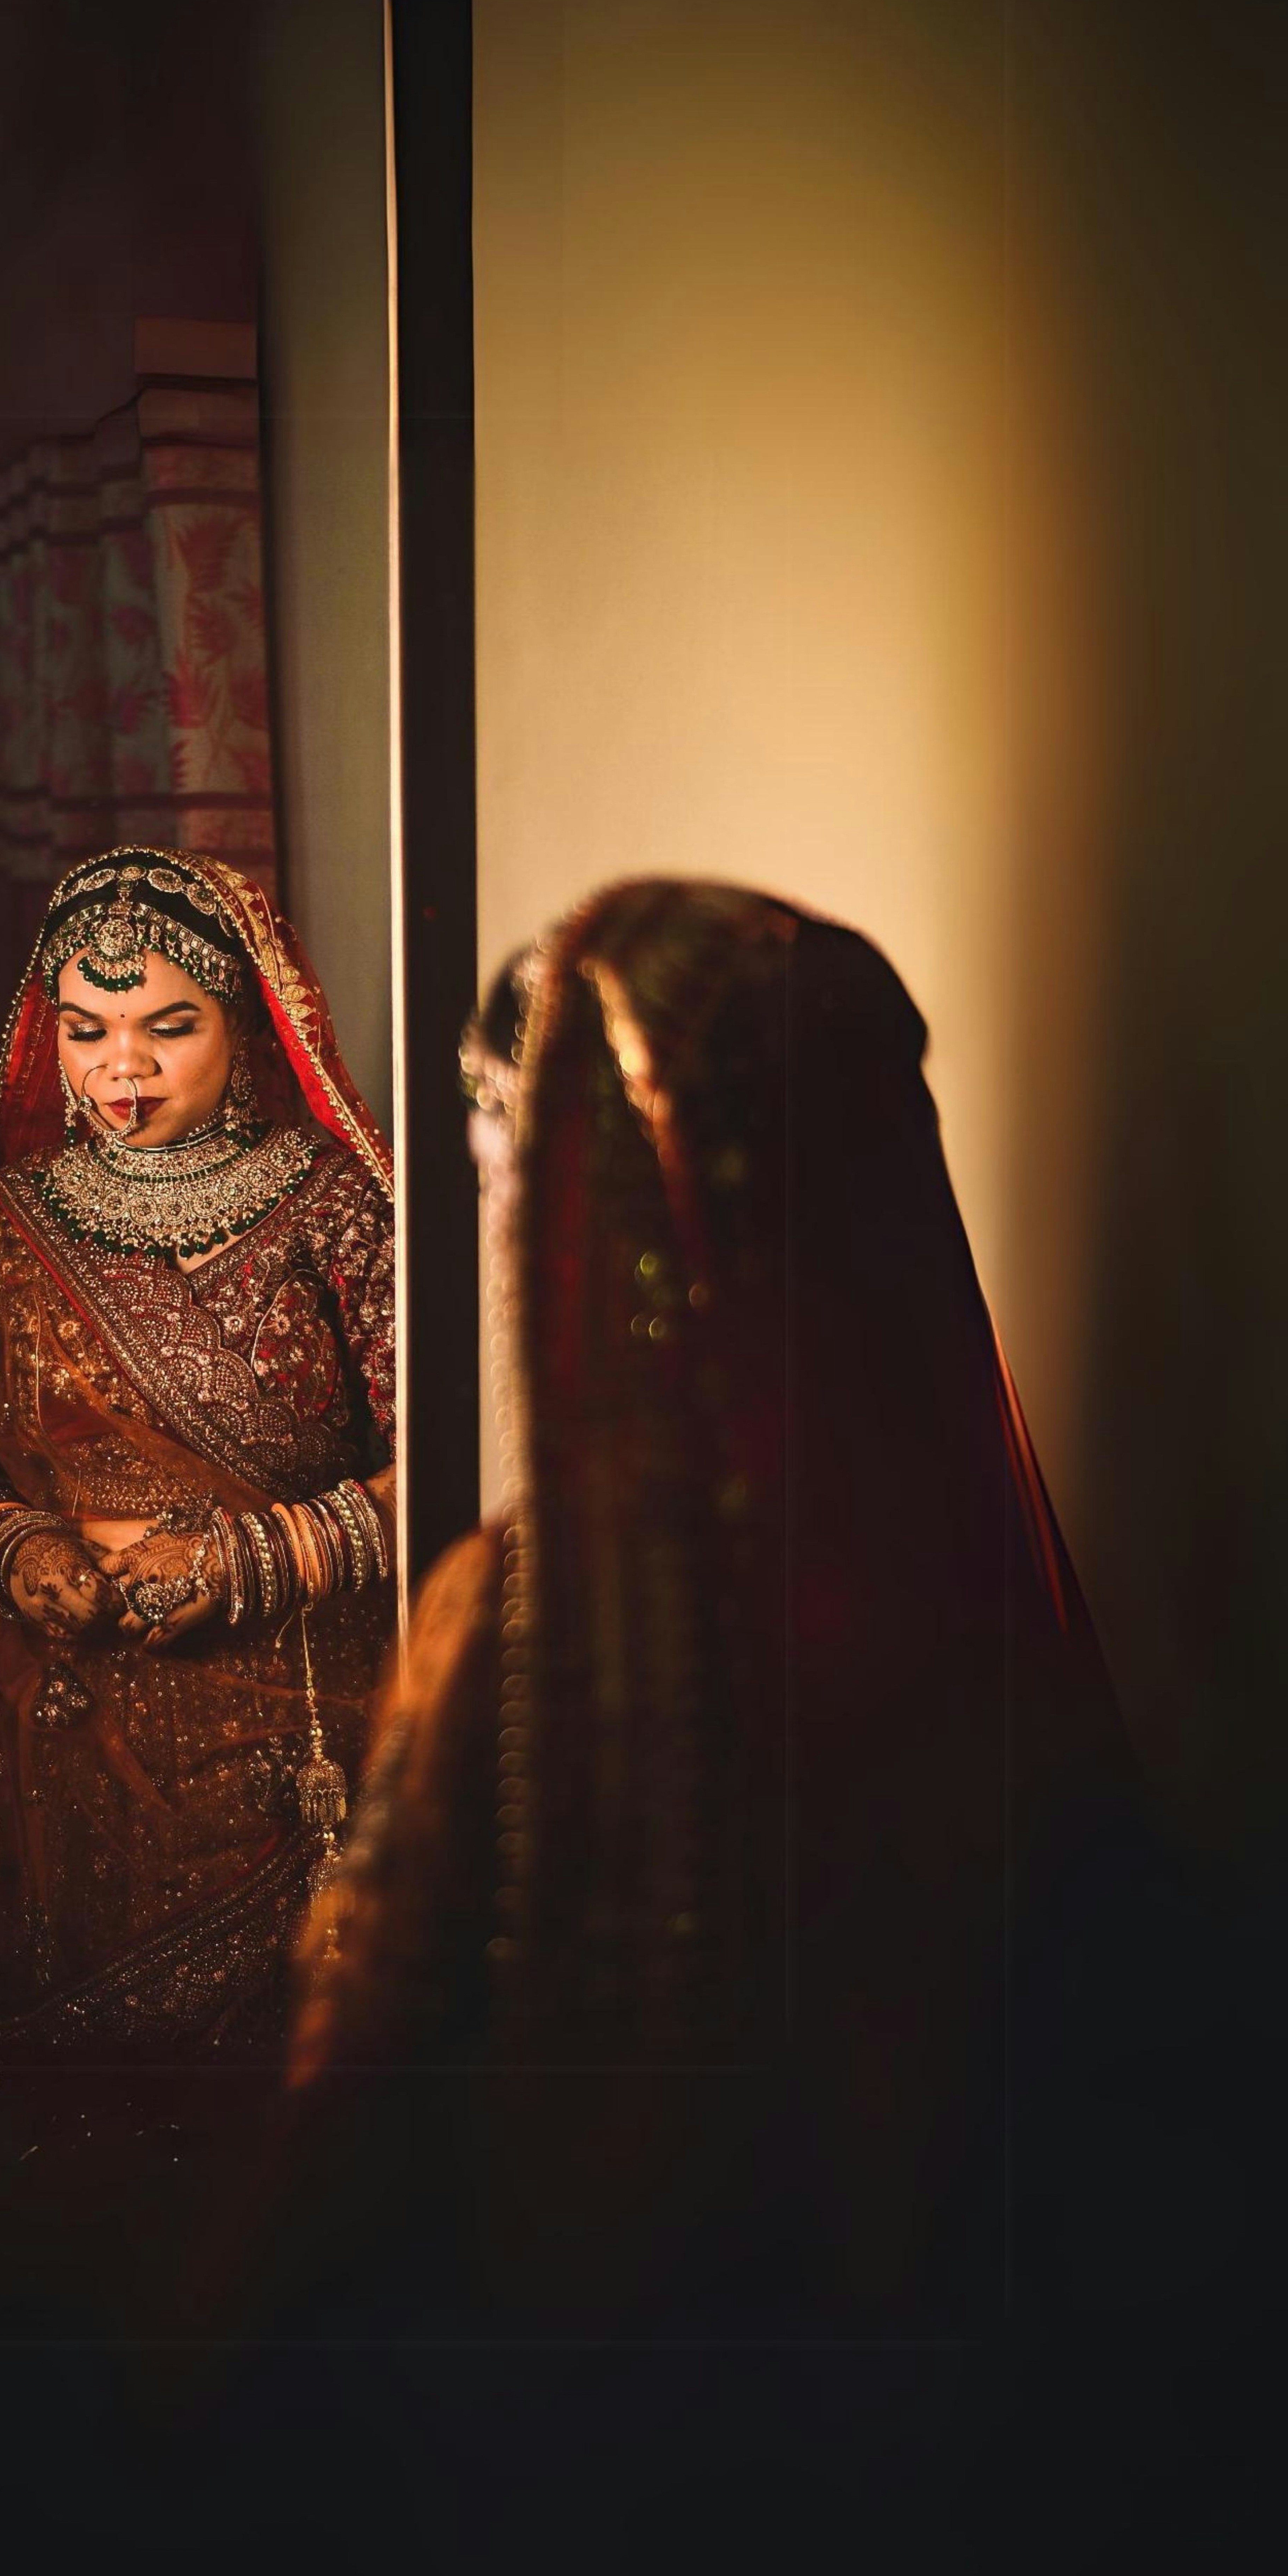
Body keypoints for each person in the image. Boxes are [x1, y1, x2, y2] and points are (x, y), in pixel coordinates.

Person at [270, 876, 1144, 2338]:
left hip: (590, 2377)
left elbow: (359, 2078)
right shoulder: (983, 1593)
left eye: (511, 1188)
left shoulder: (530, 1617)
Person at [0, 846, 396, 2063]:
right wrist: (10, 1545)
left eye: (166, 1027)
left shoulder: (339, 1209)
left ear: (245, 1019)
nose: (119, 1069)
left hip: (297, 1704)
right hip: (62, 1709)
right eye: (84, 1030)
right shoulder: (14, 1225)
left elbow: (466, 1462)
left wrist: (262, 1557)